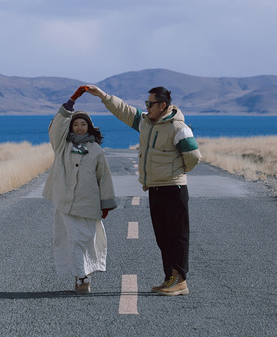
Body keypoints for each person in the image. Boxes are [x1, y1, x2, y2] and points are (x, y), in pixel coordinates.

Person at [85, 84, 202, 296]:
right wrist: (102, 95)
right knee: (162, 237)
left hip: (174, 188)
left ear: (162, 105)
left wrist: (177, 172)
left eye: (150, 104)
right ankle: (170, 278)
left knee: (177, 236)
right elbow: (124, 111)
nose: (147, 107)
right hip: (155, 188)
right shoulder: (146, 122)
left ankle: (180, 280)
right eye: (146, 103)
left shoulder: (178, 127)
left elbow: (193, 156)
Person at [42, 86, 117, 294]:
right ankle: (82, 278)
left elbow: (104, 177)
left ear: (89, 127)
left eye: (83, 124)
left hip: (88, 202)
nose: (79, 127)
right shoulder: (62, 145)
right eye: (76, 124)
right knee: (74, 239)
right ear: (71, 127)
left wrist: (106, 204)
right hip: (65, 202)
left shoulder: (96, 150)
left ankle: (83, 272)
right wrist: (72, 100)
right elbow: (56, 127)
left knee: (86, 240)